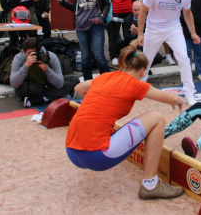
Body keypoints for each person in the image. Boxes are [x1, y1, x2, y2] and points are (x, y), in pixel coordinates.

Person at [65, 41, 185, 200]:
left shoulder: (105, 77)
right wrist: (178, 99)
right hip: (97, 156)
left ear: (123, 65)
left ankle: (150, 183)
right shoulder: (136, 84)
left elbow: (78, 89)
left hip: (72, 151)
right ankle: (150, 185)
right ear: (143, 72)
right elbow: (170, 98)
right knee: (157, 118)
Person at [137, 0, 201, 106]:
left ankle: (189, 93)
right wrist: (141, 33)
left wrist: (193, 33)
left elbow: (187, 13)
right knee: (146, 60)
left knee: (183, 57)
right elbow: (142, 12)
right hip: (153, 28)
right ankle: (140, 90)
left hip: (173, 28)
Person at [55, 0, 110, 80]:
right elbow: (75, 8)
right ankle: (87, 82)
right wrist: (62, 2)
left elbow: (106, 3)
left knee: (99, 55)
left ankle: (107, 81)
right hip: (81, 26)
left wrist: (101, 18)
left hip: (95, 25)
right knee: (85, 56)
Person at [10, 37, 79, 107]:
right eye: (30, 53)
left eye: (36, 53)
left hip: (49, 85)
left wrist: (47, 69)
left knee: (74, 79)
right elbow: (14, 83)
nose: (35, 56)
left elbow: (59, 84)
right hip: (33, 86)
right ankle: (56, 95)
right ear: (24, 52)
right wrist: (26, 65)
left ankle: (42, 98)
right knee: (22, 88)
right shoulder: (19, 58)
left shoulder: (51, 56)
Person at [137, 0, 174, 65]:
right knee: (150, 34)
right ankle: (150, 57)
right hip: (148, 9)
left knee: (165, 33)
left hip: (162, 8)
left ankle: (168, 55)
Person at [107, 0, 138, 66]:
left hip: (128, 12)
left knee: (128, 35)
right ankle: (114, 56)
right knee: (114, 36)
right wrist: (110, 13)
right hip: (116, 12)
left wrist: (134, 11)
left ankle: (129, 55)